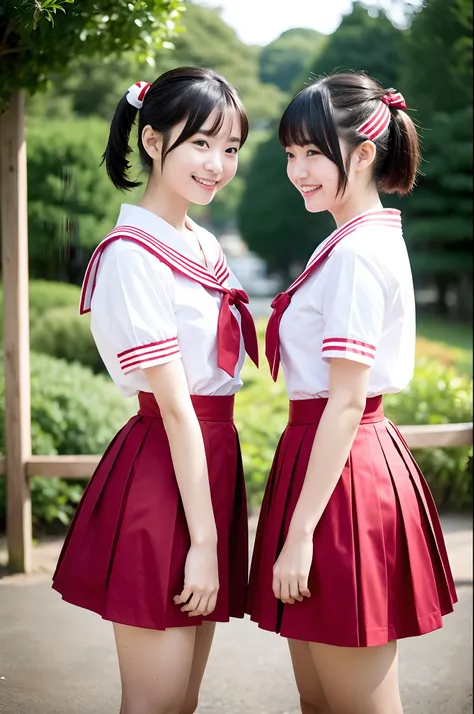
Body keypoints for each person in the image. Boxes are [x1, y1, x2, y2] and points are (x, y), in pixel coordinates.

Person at [246, 72, 457, 714]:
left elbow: (344, 400)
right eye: (290, 154)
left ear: (364, 154)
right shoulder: (350, 242)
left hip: (341, 473)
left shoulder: (359, 254)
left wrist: (301, 534)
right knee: (322, 700)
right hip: (329, 462)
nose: (298, 170)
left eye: (314, 152)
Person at [52, 66, 258, 714]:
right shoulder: (132, 254)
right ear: (151, 139)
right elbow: (174, 405)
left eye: (230, 148)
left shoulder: (198, 242)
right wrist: (202, 543)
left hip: (209, 464)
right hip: (165, 471)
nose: (217, 164)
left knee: (182, 703)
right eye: (201, 143)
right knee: (154, 705)